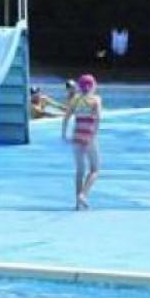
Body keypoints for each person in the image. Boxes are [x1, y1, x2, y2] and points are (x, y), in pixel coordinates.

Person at [62, 73, 102, 211]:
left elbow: (66, 118)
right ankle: (83, 195)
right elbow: (98, 119)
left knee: (80, 171)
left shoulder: (75, 100)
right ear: (92, 86)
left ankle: (77, 203)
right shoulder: (96, 100)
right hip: (89, 136)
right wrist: (94, 135)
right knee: (95, 169)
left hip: (76, 135)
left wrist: (64, 135)